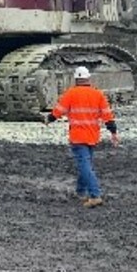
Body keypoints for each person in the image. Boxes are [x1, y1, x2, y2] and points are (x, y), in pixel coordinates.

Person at [44, 66, 119, 208]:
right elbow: (108, 116)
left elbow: (58, 111)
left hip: (78, 136)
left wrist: (49, 119)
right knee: (86, 164)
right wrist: (113, 133)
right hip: (92, 136)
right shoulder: (98, 94)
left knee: (84, 165)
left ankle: (95, 195)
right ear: (88, 78)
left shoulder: (70, 94)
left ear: (76, 79)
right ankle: (80, 191)